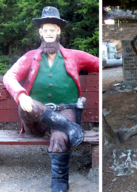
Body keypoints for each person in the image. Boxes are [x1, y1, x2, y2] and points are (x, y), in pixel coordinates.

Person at [3, 6, 99, 192]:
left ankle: (60, 182)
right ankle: (69, 127)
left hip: (66, 111)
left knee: (61, 137)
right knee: (26, 106)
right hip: (36, 122)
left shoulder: (74, 56)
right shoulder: (30, 57)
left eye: (52, 30)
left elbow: (98, 65)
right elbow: (9, 76)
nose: (48, 33)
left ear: (58, 31)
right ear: (40, 32)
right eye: (45, 30)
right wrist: (20, 95)